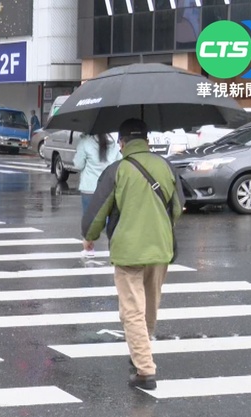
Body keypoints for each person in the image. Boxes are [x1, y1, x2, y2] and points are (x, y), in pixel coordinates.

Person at [82, 118, 184, 391]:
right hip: (160, 249)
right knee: (149, 306)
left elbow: (97, 212)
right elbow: (177, 208)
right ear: (147, 141)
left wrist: (89, 237)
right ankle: (141, 351)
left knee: (132, 311)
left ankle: (145, 369)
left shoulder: (117, 170)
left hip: (128, 252)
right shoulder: (166, 166)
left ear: (122, 143)